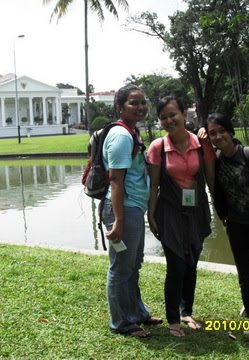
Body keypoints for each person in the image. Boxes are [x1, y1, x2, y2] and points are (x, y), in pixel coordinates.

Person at [147, 96, 215, 337]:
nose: (168, 120)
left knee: (191, 264)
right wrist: (151, 215)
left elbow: (211, 179)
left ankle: (187, 311)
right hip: (169, 212)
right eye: (163, 117)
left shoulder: (201, 143)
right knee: (176, 266)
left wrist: (219, 209)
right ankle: (173, 319)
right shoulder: (157, 147)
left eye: (173, 114)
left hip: (196, 212)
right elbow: (154, 184)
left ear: (184, 114)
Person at [205, 113, 249, 335]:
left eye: (221, 131)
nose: (218, 137)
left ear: (230, 131)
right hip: (236, 225)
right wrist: (224, 217)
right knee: (245, 273)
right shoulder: (215, 160)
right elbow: (216, 192)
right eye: (212, 133)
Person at [102, 84, 162, 338]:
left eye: (142, 102)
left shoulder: (132, 132)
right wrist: (118, 220)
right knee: (120, 268)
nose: (140, 107)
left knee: (133, 265)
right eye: (133, 103)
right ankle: (121, 323)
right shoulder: (121, 136)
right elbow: (116, 180)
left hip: (133, 207)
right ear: (120, 107)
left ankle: (137, 313)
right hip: (122, 209)